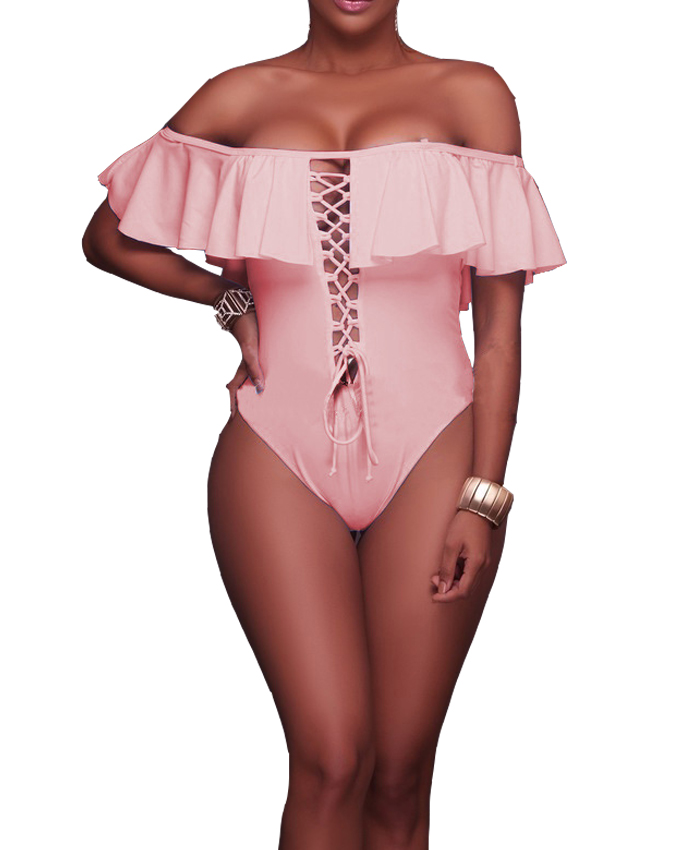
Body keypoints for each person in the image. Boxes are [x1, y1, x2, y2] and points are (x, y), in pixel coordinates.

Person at [82, 1, 567, 847]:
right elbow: (107, 238)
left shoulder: (473, 95)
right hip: (274, 448)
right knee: (331, 759)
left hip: (437, 449)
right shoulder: (238, 97)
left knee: (400, 773)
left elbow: (499, 332)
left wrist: (483, 497)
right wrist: (225, 298)